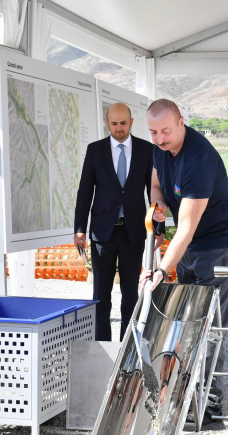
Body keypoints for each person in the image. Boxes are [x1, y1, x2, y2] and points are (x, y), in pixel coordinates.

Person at [139, 98, 228, 429]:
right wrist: (157, 204)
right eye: (153, 132)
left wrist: (160, 270)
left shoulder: (199, 158)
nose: (159, 139)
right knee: (185, 319)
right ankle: (184, 397)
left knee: (209, 324)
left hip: (216, 244)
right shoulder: (160, 146)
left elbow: (185, 227)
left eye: (165, 131)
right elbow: (156, 183)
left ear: (182, 121)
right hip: (189, 245)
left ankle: (209, 409)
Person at [74, 102, 154, 341]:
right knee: (101, 294)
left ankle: (128, 346)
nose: (118, 128)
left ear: (131, 122)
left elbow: (153, 191)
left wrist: (157, 228)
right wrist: (79, 228)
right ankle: (102, 345)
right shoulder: (95, 150)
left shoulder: (146, 150)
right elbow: (85, 191)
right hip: (102, 233)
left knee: (131, 293)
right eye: (113, 123)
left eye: (123, 123)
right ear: (107, 123)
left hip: (133, 232)